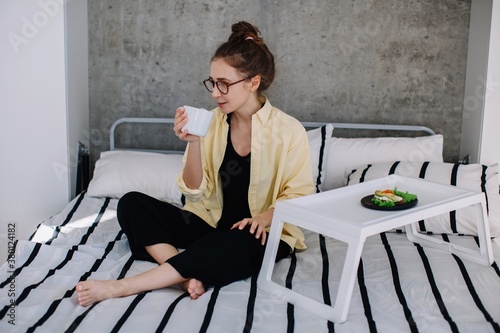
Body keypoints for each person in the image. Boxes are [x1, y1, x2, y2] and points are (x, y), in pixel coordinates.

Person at [75, 21, 314, 307]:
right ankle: (183, 276)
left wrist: (260, 220)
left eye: (224, 84)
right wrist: (194, 142)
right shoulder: (210, 123)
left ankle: (122, 287)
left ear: (253, 82)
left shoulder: (289, 130)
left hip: (258, 232)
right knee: (131, 204)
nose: (215, 93)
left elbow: (299, 196)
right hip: (208, 223)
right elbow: (194, 191)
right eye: (212, 82)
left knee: (233, 241)